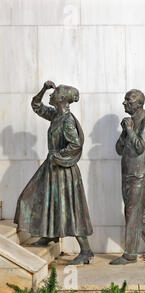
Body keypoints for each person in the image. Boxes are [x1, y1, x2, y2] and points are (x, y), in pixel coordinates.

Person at [14, 80, 94, 265]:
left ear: (62, 99)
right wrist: (43, 88)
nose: (51, 95)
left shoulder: (66, 120)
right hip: (52, 169)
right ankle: (50, 234)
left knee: (71, 210)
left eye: (54, 93)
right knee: (35, 199)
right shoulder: (55, 115)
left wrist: (57, 156)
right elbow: (36, 106)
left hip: (64, 171)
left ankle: (86, 251)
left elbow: (75, 144)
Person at [110, 89, 145, 265]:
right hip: (128, 172)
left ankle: (130, 254)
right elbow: (119, 149)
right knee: (136, 210)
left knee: (132, 212)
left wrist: (129, 130)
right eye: (125, 100)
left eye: (129, 100)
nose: (124, 103)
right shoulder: (130, 122)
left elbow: (140, 147)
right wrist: (124, 132)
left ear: (139, 104)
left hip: (140, 174)